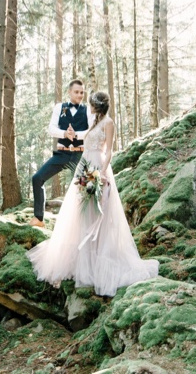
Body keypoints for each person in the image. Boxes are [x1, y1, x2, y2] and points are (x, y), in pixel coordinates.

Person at [27, 91, 159, 297]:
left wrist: (103, 172)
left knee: (97, 213)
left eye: (90, 104)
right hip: (84, 166)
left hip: (97, 168)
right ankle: (80, 257)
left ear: (97, 106)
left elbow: (109, 151)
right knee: (79, 212)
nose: (88, 107)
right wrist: (67, 134)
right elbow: (82, 139)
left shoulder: (108, 123)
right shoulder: (94, 121)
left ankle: (96, 258)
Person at [29, 79, 94, 228]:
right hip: (62, 154)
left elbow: (91, 130)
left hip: (79, 155)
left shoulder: (88, 109)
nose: (79, 95)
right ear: (69, 92)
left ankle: (85, 223)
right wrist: (65, 133)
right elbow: (51, 129)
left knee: (83, 187)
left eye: (82, 92)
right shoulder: (60, 107)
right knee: (37, 178)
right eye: (76, 92)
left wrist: (76, 135)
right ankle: (39, 218)